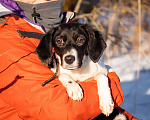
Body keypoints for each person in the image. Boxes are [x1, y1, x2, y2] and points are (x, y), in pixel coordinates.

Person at [0, 0, 137, 119]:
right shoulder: (7, 39)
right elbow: (63, 110)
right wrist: (112, 81)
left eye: (80, 40)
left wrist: (104, 79)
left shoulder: (58, 25)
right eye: (60, 41)